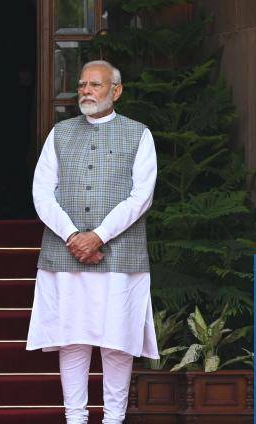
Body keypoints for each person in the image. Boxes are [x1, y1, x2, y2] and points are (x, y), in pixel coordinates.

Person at [26, 60, 159, 424]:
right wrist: (73, 236)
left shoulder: (139, 134)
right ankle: (75, 418)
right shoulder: (60, 133)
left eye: (95, 85)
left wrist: (98, 236)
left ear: (116, 91)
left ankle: (114, 419)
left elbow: (141, 196)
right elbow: (42, 193)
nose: (85, 90)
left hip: (120, 255)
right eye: (82, 85)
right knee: (72, 338)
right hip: (64, 253)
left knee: (118, 341)